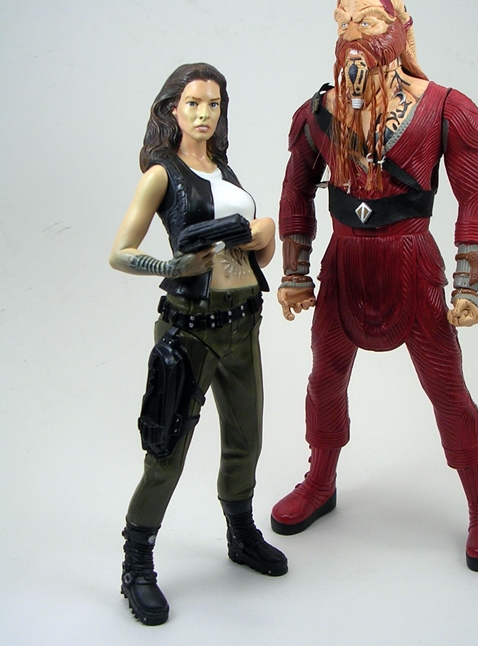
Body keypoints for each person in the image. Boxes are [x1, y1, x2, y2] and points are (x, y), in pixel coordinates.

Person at [271, 0, 478, 573]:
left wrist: (468, 281)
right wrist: (296, 272)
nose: (353, 32)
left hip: (411, 264)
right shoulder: (318, 113)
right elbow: (296, 189)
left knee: (446, 388)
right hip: (344, 264)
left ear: (401, 31)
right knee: (325, 379)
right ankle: (320, 480)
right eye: (343, 21)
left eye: (369, 20)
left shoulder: (447, 107)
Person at [109, 63, 287, 626]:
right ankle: (137, 564)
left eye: (213, 104)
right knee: (166, 454)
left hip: (243, 323)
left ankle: (241, 532)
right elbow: (119, 252)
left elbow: (255, 259)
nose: (204, 113)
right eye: (193, 103)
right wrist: (171, 266)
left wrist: (267, 235)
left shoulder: (225, 170)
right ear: (173, 109)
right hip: (189, 330)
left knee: (246, 440)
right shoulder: (162, 174)